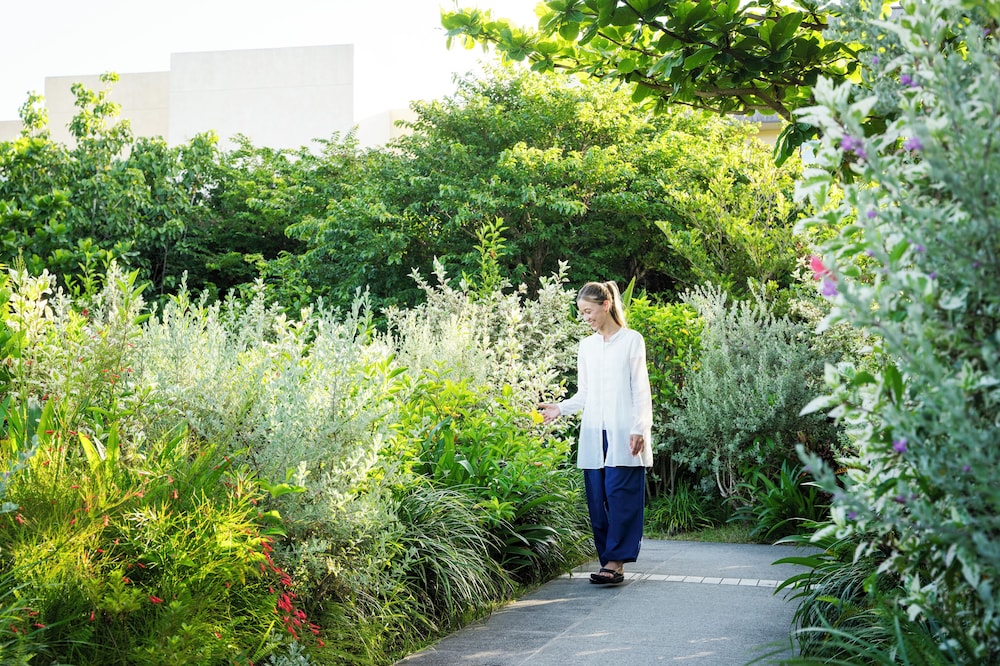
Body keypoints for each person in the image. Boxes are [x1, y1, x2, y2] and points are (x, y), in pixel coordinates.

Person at [538, 281, 653, 585]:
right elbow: (585, 393)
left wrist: (639, 428)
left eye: (589, 311)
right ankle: (609, 561)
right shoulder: (586, 346)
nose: (586, 318)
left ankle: (615, 563)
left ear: (606, 305)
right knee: (598, 501)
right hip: (594, 434)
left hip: (624, 433)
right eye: (582, 313)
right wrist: (560, 408)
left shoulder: (632, 340)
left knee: (620, 497)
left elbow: (641, 389)